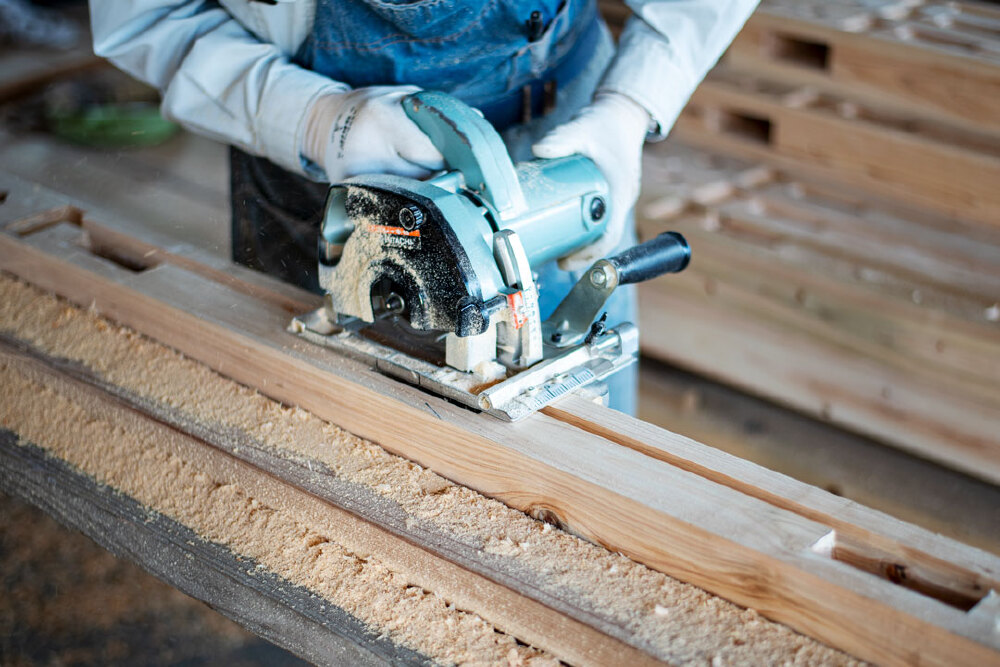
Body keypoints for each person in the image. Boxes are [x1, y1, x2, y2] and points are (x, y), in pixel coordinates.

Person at [89, 0, 759, 415]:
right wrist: (317, 121)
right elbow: (144, 16)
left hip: (553, 131)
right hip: (309, 145)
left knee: (574, 473)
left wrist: (630, 105)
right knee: (309, 453)